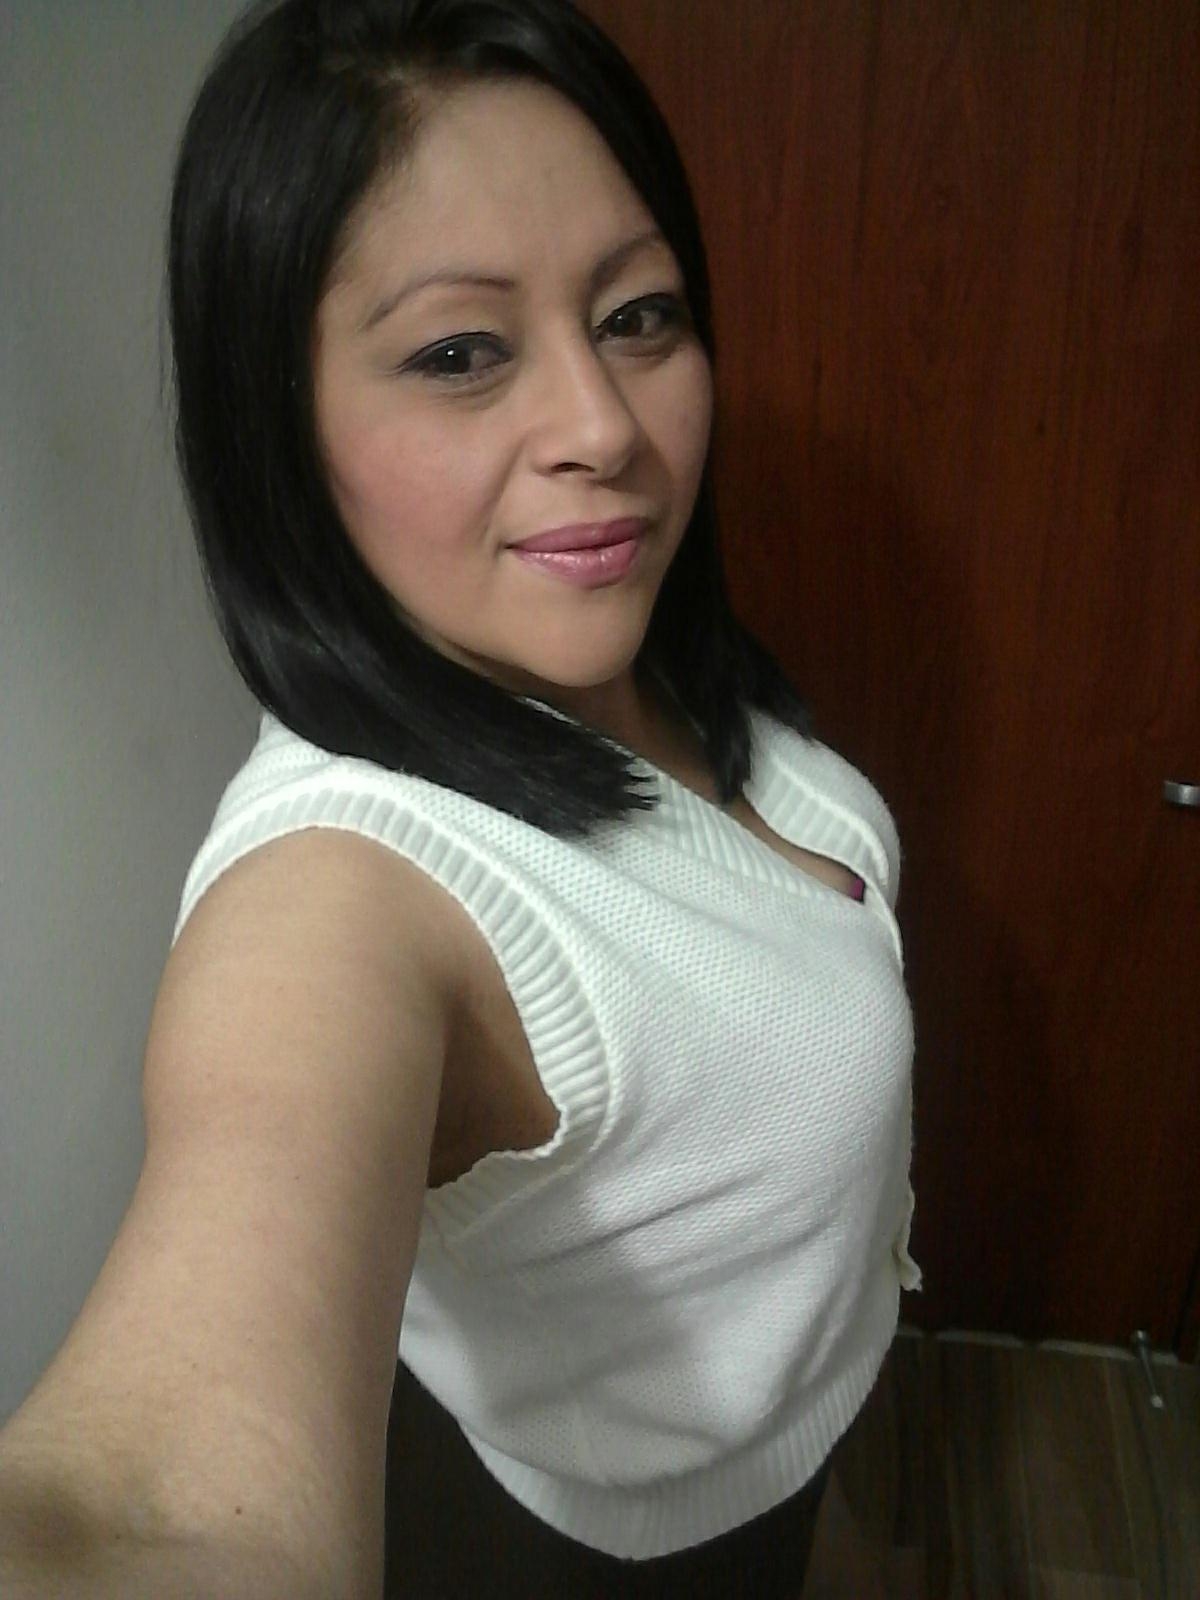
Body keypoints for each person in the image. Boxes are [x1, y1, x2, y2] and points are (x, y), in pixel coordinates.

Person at [0, 0, 922, 1594]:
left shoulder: (622, 648)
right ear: (278, 424)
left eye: (638, 316)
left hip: (784, 1455)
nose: (605, 428)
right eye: (459, 353)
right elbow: (146, 1500)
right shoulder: (341, 895)